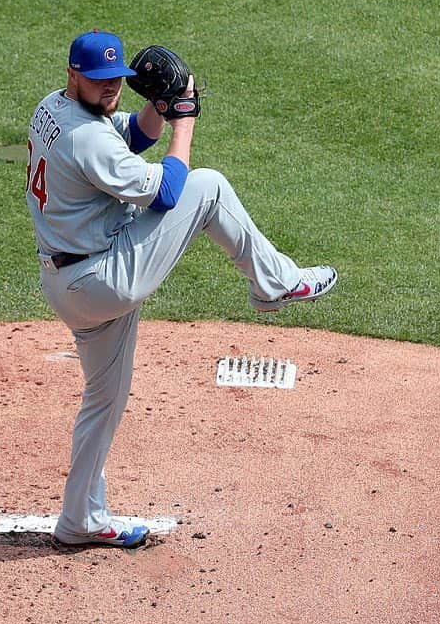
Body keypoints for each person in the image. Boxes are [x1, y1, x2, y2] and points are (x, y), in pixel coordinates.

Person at [27, 30, 337, 548]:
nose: (110, 90)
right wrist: (184, 122)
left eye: (117, 81)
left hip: (71, 280)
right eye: (100, 81)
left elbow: (128, 138)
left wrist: (159, 107)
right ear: (72, 75)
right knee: (206, 186)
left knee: (104, 399)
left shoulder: (53, 109)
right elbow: (169, 191)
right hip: (103, 278)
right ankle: (275, 284)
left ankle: (78, 519)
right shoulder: (87, 139)